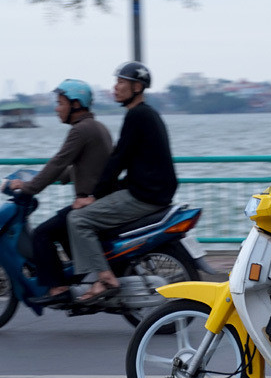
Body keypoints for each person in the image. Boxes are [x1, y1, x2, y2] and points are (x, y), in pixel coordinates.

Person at [66, 61, 178, 304]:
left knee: (78, 219)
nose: (115, 88)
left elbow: (119, 159)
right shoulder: (147, 114)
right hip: (153, 190)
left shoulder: (137, 116)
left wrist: (93, 196)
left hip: (145, 195)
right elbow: (132, 160)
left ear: (136, 87)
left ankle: (105, 278)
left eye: (120, 83)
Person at [10, 79, 113, 305]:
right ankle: (78, 276)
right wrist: (46, 176)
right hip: (101, 201)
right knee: (60, 227)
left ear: (76, 104)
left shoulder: (81, 130)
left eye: (60, 103)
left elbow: (58, 162)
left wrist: (29, 187)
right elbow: (78, 166)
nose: (57, 108)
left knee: (42, 234)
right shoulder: (97, 127)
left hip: (91, 205)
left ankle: (58, 288)